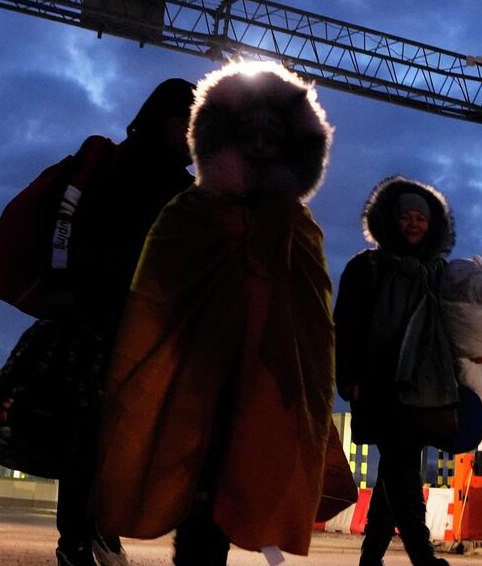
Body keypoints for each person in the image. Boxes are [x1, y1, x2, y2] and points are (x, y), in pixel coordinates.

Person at [94, 62, 336, 566]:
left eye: (275, 131)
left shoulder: (299, 226)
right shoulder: (191, 213)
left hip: (264, 381)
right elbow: (153, 305)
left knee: (239, 479)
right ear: (223, 136)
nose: (262, 141)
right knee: (200, 488)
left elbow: (312, 325)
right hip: (196, 379)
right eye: (251, 130)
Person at [50, 79, 198, 566]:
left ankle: (98, 530)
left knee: (121, 437)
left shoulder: (183, 184)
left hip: (143, 326)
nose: (189, 134)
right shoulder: (126, 168)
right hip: (105, 319)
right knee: (94, 434)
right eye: (184, 122)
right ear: (163, 120)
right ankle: (78, 536)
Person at [334, 177, 459, 566]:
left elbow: (464, 323)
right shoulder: (365, 267)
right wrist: (348, 377)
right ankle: (422, 555)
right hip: (378, 383)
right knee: (401, 466)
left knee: (396, 466)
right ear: (389, 220)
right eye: (404, 216)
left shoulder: (441, 273)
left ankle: (371, 556)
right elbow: (346, 326)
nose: (413, 223)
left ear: (432, 224)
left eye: (420, 217)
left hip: (426, 387)